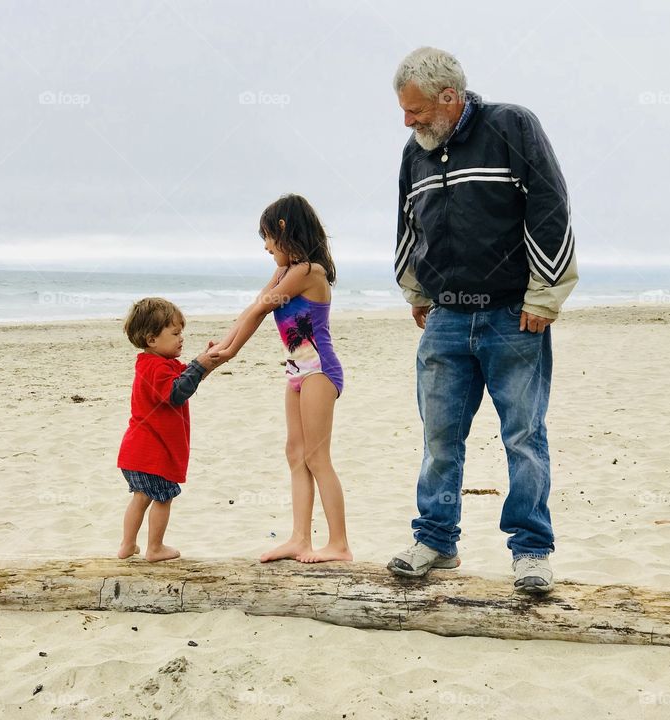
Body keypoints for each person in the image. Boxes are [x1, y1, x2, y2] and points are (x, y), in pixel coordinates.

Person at [387, 47, 578, 593]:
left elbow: (550, 206)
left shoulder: (511, 126)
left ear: (450, 97)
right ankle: (435, 541)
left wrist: (544, 296)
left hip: (513, 316)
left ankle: (531, 550)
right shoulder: (416, 152)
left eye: (416, 109)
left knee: (523, 436)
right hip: (445, 319)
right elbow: (407, 221)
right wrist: (415, 289)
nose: (409, 121)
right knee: (440, 438)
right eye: (404, 112)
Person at [209, 194, 352, 563]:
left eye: (268, 239)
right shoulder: (284, 272)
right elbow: (252, 307)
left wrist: (231, 352)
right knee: (295, 454)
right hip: (296, 372)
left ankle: (339, 544)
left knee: (318, 456)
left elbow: (261, 309)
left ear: (284, 229)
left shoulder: (308, 271)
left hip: (319, 370)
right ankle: (299, 538)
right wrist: (222, 346)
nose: (267, 248)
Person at [117, 297, 222, 562]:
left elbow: (188, 379)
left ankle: (127, 545)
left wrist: (207, 363)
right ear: (152, 339)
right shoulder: (156, 368)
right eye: (175, 333)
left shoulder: (155, 364)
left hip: (136, 452)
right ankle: (155, 548)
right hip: (153, 453)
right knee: (163, 498)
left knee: (141, 498)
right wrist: (199, 365)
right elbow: (176, 392)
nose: (181, 338)